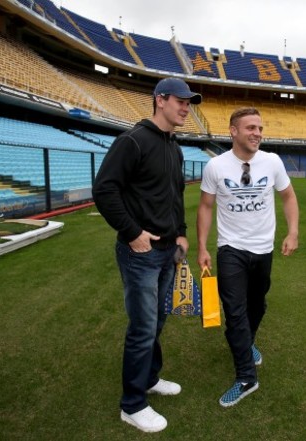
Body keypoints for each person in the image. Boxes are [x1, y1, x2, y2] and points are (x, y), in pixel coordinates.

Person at [92, 77, 202, 433]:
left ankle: (150, 378)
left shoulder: (174, 146)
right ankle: (132, 404)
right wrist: (133, 233)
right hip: (140, 252)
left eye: (189, 102)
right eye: (181, 101)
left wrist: (182, 234)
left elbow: (172, 196)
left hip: (169, 251)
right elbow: (104, 189)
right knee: (142, 328)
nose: (187, 107)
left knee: (157, 322)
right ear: (160, 100)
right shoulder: (133, 141)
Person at [197, 107, 299, 407]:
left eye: (260, 128)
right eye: (251, 127)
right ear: (233, 131)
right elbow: (205, 206)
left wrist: (293, 232)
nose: (257, 133)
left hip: (263, 248)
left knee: (258, 304)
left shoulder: (272, 162)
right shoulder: (215, 166)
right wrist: (202, 247)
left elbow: (289, 196)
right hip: (231, 248)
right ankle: (246, 377)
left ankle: (247, 343)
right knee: (235, 312)